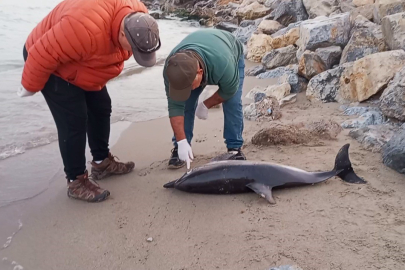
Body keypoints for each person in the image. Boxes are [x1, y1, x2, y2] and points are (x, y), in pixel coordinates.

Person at [18, 0, 161, 203]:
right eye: (134, 50)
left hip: (83, 58)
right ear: (122, 33)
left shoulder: (140, 18)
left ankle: (102, 163)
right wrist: (29, 86)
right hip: (45, 59)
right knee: (74, 120)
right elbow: (43, 54)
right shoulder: (84, 27)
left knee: (101, 107)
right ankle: (75, 181)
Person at [162, 28, 246, 170]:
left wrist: (206, 104)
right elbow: (175, 107)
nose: (186, 90)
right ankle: (180, 148)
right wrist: (181, 141)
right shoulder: (171, 70)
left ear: (199, 73)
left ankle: (234, 148)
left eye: (188, 86)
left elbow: (228, 91)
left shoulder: (223, 64)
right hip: (201, 50)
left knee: (232, 103)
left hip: (229, 51)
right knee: (186, 103)